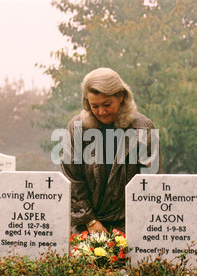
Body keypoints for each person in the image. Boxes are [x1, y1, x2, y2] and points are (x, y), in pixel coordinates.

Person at [61, 67, 162, 235]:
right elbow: (71, 178)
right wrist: (89, 220)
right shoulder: (76, 128)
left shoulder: (142, 128)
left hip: (130, 224)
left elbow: (151, 181)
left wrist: (133, 225)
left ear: (121, 96)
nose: (101, 111)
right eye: (94, 106)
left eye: (107, 104)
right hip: (85, 224)